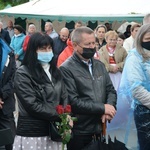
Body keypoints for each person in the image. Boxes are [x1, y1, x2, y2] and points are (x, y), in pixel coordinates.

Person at [59, 27, 117, 150]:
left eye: (93, 43)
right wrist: (102, 108)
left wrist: (109, 108)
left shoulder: (99, 65)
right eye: (87, 44)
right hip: (80, 129)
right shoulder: (66, 69)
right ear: (75, 45)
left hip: (100, 127)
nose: (92, 47)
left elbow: (110, 90)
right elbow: (73, 101)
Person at [13, 32, 72, 150]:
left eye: (49, 48)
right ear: (33, 50)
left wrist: (66, 115)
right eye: (42, 48)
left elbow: (64, 96)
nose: (47, 51)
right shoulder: (23, 73)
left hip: (54, 131)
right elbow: (31, 104)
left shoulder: (56, 71)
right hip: (33, 133)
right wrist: (60, 116)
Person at [119, 24, 150, 150]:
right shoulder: (134, 57)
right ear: (140, 39)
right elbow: (136, 89)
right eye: (148, 39)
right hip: (145, 110)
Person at [0, 36, 16, 150]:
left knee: (11, 142)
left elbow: (13, 78)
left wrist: (2, 94)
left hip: (5, 104)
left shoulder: (8, 51)